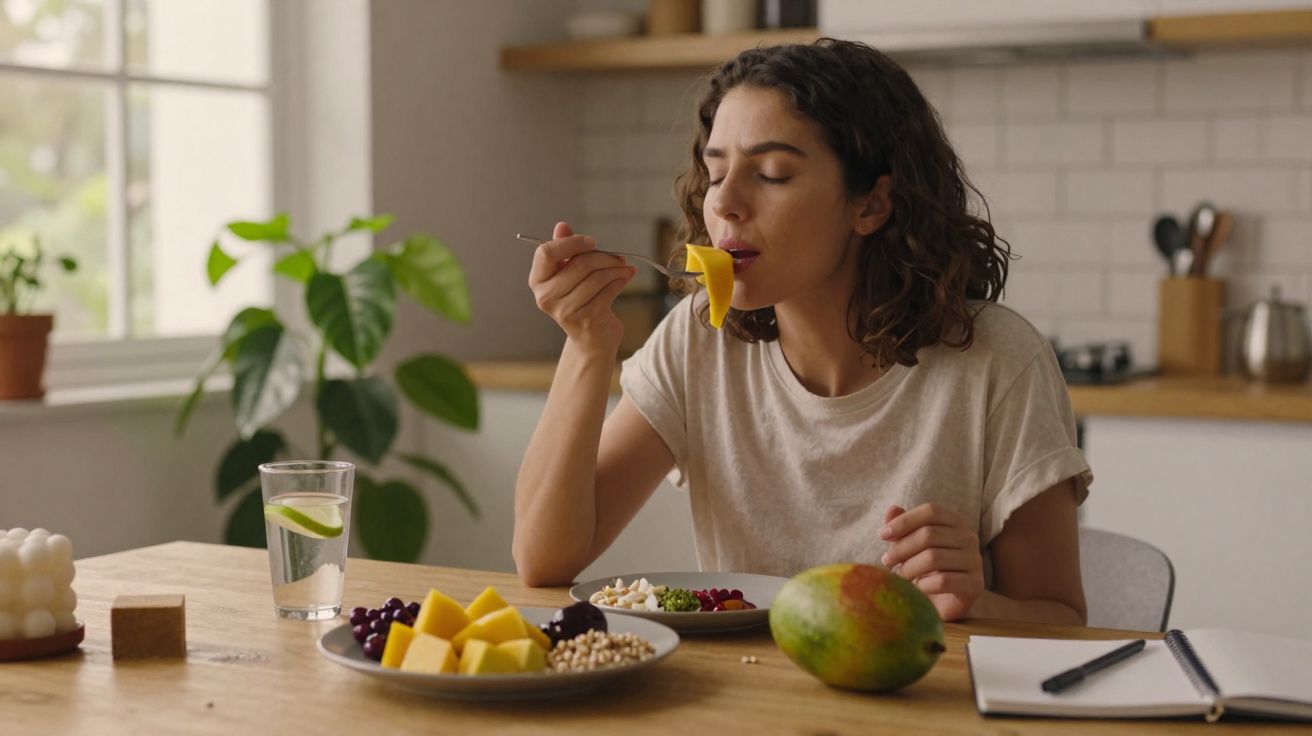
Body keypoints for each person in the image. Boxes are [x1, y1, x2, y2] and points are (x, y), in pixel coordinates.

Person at [513, 39, 1091, 625]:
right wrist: (587, 345)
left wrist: (977, 603)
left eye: (772, 174)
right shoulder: (700, 340)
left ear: (872, 204)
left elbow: (1064, 620)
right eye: (715, 174)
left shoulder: (998, 360)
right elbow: (545, 560)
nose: (726, 204)